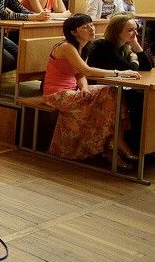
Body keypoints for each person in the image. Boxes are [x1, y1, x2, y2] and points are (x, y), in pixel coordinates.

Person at [43, 14, 139, 164]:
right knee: (109, 95)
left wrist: (84, 88)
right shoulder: (66, 47)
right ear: (73, 32)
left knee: (112, 92)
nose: (91, 29)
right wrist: (120, 73)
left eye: (91, 25)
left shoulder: (85, 47)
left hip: (73, 91)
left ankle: (111, 143)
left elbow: (80, 74)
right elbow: (87, 70)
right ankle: (110, 145)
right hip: (56, 94)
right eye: (85, 27)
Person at [87, 14, 153, 156]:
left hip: (115, 86)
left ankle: (145, 145)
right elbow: (130, 69)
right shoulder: (103, 46)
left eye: (136, 30)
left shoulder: (124, 46)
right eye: (130, 30)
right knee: (140, 100)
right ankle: (137, 145)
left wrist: (136, 46)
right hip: (98, 89)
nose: (135, 34)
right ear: (117, 31)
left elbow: (147, 67)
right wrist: (134, 60)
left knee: (144, 98)